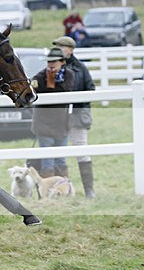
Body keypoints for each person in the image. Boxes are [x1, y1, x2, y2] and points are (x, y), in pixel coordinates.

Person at [53, 36, 96, 198]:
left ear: (70, 50)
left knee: (82, 151)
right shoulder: (52, 66)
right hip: (58, 117)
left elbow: (90, 89)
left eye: (61, 47)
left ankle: (89, 189)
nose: (58, 50)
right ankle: (61, 189)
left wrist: (76, 101)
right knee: (58, 153)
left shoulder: (81, 68)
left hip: (77, 116)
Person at [30, 47, 74, 178]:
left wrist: (52, 81)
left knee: (61, 159)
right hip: (44, 124)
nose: (51, 64)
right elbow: (34, 90)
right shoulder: (40, 76)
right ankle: (48, 190)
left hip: (62, 123)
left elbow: (66, 91)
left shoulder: (69, 74)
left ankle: (62, 187)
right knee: (47, 160)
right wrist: (49, 80)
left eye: (54, 61)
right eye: (49, 61)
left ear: (62, 62)